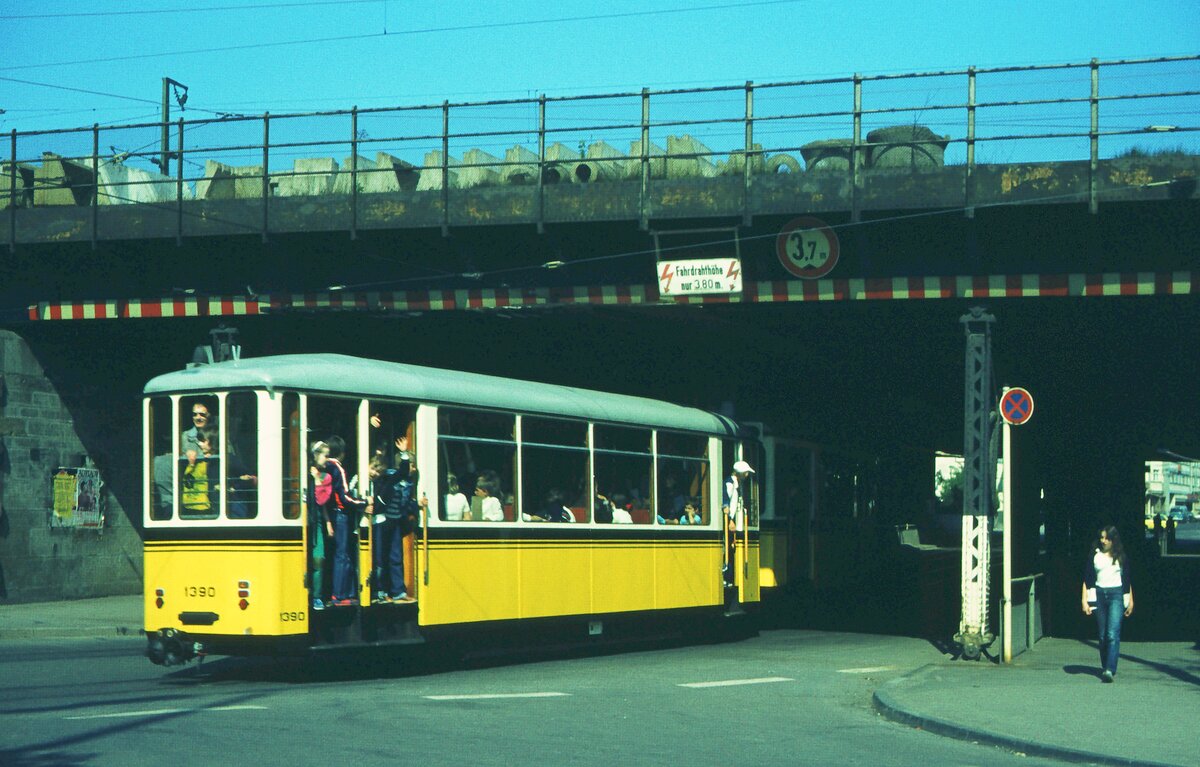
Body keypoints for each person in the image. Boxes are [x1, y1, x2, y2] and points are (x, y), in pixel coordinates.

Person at [369, 438, 424, 603]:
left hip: (395, 522)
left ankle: (398, 591)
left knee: (395, 556)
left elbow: (405, 503)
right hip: (383, 521)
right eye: (411, 466)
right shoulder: (390, 476)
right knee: (380, 557)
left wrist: (417, 504)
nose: (413, 469)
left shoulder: (408, 482)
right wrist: (403, 453)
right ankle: (380, 591)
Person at [1081, 525, 1134, 682]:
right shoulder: (1094, 555)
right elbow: (1087, 579)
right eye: (1102, 538)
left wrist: (1131, 601)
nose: (1103, 541)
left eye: (1107, 538)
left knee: (1112, 634)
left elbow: (1127, 580)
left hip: (1116, 595)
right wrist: (1084, 600)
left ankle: (1110, 669)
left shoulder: (1121, 557)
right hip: (1099, 595)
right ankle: (1106, 666)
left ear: (1113, 540)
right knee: (1103, 635)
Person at [324, 435, 368, 606]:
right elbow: (345, 497)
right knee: (342, 554)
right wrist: (363, 503)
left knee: (338, 553)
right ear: (341, 452)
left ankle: (343, 592)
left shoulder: (325, 466)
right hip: (341, 515)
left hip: (331, 514)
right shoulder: (338, 468)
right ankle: (340, 595)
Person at [307, 441, 334, 610]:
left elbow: (322, 500)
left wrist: (328, 522)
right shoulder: (303, 472)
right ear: (316, 456)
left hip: (316, 521)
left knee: (319, 558)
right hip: (304, 520)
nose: (328, 459)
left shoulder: (326, 477)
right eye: (326, 455)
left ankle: (317, 596)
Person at [722, 460, 755, 587]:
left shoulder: (736, 484)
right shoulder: (729, 484)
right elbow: (725, 503)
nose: (747, 475)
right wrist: (730, 521)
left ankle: (728, 578)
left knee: (730, 549)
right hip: (727, 522)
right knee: (727, 550)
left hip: (731, 522)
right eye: (745, 472)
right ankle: (726, 578)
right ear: (739, 473)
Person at [180, 428, 219, 516]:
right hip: (190, 505)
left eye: (203, 441)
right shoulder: (197, 458)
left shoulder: (217, 461)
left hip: (206, 507)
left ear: (212, 442)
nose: (199, 444)